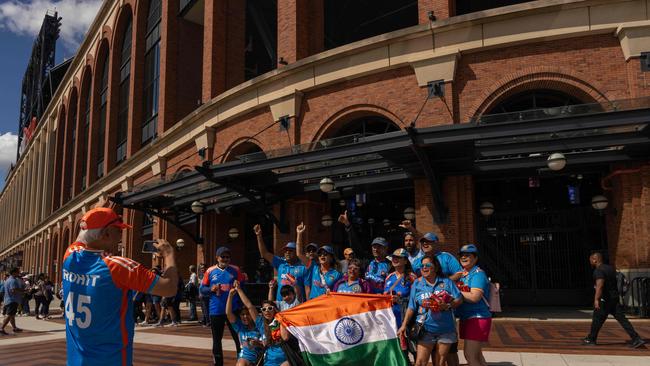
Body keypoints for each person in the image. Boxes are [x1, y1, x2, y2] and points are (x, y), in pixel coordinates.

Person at [62, 207, 179, 365]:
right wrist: (168, 254)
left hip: (76, 360)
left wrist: (90, 223)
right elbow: (170, 288)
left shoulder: (70, 257)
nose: (120, 236)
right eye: (119, 230)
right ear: (106, 233)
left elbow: (80, 240)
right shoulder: (118, 267)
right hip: (112, 359)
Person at [398, 254, 463, 366]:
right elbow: (411, 307)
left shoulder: (446, 282)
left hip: (445, 330)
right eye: (422, 266)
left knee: (440, 363)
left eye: (428, 265)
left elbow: (459, 299)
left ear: (436, 267)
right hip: (425, 329)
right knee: (420, 362)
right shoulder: (417, 284)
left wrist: (448, 305)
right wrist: (404, 325)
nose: (424, 268)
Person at [583, 252, 645, 348]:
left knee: (596, 319)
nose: (590, 262)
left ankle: (591, 339)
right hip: (614, 298)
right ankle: (636, 338)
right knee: (622, 320)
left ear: (595, 260)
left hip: (604, 300)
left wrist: (596, 299)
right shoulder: (610, 268)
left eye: (590, 260)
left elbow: (600, 286)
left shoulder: (598, 271)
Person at [200, 246, 245, 366]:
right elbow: (202, 289)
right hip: (216, 310)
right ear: (217, 258)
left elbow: (244, 285)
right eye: (223, 256)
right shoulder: (210, 271)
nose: (225, 259)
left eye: (227, 257)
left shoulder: (235, 270)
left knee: (239, 338)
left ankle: (241, 361)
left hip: (233, 309)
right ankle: (218, 363)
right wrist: (211, 289)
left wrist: (239, 284)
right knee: (217, 339)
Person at [456, 244, 492, 366]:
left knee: (470, 355)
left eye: (468, 255)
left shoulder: (478, 274)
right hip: (467, 317)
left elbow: (474, 297)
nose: (464, 257)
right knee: (477, 356)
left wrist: (454, 292)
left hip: (477, 317)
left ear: (475, 258)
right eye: (462, 255)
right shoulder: (463, 274)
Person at [255, 224, 308, 302]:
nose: (287, 252)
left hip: (297, 305)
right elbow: (264, 254)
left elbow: (307, 288)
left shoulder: (303, 267)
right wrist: (259, 235)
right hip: (281, 305)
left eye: (290, 251)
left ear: (296, 252)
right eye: (286, 251)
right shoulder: (280, 263)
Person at [385, 248, 417, 359]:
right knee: (399, 352)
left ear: (405, 261)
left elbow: (415, 299)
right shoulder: (389, 277)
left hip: (408, 320)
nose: (395, 259)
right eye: (394, 257)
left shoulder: (412, 277)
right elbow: (384, 297)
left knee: (414, 350)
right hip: (393, 319)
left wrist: (401, 299)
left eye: (398, 258)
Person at [226, 280, 264, 366]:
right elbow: (228, 314)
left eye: (247, 314)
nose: (245, 316)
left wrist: (257, 344)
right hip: (245, 359)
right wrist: (230, 296)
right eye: (242, 314)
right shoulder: (240, 327)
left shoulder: (259, 325)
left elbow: (250, 306)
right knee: (241, 364)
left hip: (261, 359)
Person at [259, 300, 289, 366]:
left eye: (270, 308)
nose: (267, 311)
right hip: (269, 360)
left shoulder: (281, 321)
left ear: (275, 309)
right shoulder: (262, 325)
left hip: (284, 359)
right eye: (264, 309)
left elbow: (285, 337)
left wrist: (279, 316)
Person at [1, 267, 25, 335]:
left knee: (12, 315)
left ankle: (14, 328)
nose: (19, 272)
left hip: (8, 299)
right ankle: (2, 328)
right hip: (12, 300)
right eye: (18, 271)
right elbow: (13, 290)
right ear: (14, 272)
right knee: (9, 315)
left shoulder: (8, 280)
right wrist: (23, 291)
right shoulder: (13, 280)